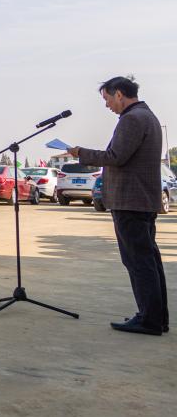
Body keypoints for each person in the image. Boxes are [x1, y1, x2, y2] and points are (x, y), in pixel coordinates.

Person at [68, 76, 168, 336]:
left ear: (120, 94)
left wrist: (81, 153)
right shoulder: (147, 116)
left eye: (107, 99)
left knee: (139, 262)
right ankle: (156, 317)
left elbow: (116, 157)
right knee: (148, 259)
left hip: (131, 201)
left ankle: (149, 320)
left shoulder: (132, 119)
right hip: (141, 201)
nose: (107, 105)